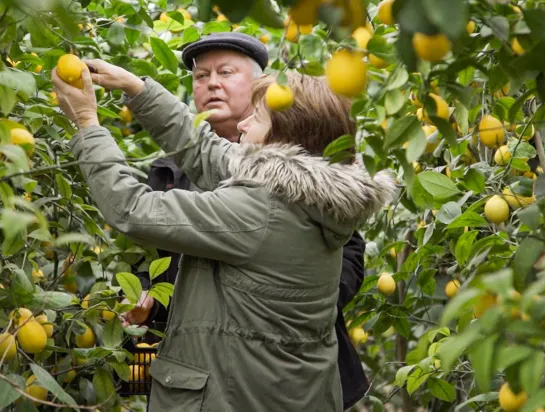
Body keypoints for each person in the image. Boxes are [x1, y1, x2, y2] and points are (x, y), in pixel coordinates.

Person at [51, 58, 395, 411]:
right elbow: (204, 150)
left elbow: (131, 208)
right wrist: (136, 88)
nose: (244, 123)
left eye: (256, 118)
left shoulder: (261, 211)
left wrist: (87, 124)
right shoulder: (308, 196)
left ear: (284, 141)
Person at [127, 32, 371, 409]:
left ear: (262, 86)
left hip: (283, 368)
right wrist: (149, 294)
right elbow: (166, 259)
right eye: (201, 76)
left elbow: (344, 253)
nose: (212, 84)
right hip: (201, 370)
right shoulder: (169, 171)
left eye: (226, 73)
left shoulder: (308, 168)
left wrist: (283, 306)